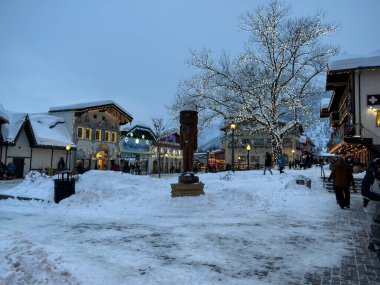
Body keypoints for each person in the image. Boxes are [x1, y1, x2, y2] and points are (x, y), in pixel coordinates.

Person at [361, 158, 380, 252]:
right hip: (371, 205)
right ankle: (372, 243)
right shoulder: (370, 176)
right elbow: (364, 192)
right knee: (373, 225)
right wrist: (378, 197)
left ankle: (374, 242)